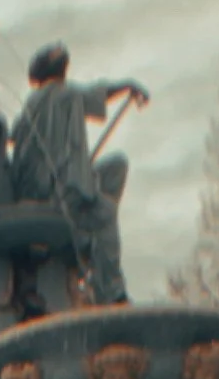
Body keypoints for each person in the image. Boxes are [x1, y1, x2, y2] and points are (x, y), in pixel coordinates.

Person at [11, 42, 149, 304]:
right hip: (63, 191)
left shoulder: (32, 104)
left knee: (114, 167)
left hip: (60, 184)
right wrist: (128, 86)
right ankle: (111, 292)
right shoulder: (64, 94)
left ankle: (90, 231)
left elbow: (13, 136)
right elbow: (99, 91)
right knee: (106, 214)